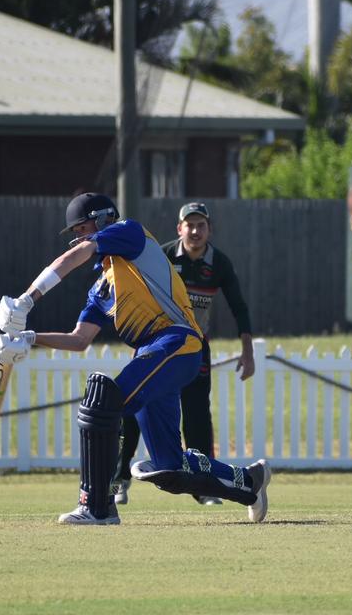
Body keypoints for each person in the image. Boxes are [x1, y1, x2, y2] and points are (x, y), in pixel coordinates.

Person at [0, 192, 272, 525]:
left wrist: (27, 299)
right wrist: (30, 339)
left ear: (103, 218)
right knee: (170, 469)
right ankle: (249, 481)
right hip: (155, 354)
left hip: (178, 342)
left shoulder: (129, 232)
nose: (78, 237)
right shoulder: (101, 288)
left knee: (103, 404)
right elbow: (80, 340)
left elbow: (81, 252)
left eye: (82, 228)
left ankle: (98, 506)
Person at [115, 201, 254, 506]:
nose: (195, 231)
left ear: (209, 229)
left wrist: (248, 352)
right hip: (156, 344)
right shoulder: (162, 256)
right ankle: (119, 480)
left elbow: (239, 307)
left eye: (201, 225)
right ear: (179, 229)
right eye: (189, 225)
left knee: (197, 415)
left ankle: (205, 488)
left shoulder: (219, 263)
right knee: (136, 408)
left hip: (194, 347)